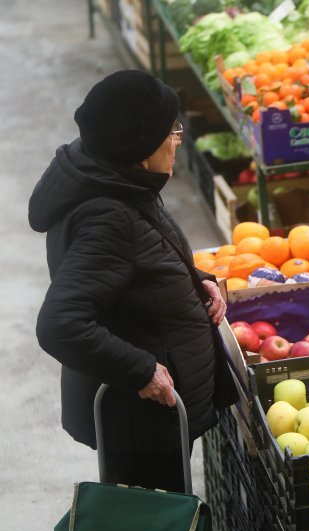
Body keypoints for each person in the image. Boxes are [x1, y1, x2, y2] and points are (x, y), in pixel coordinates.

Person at [29, 70, 237, 492]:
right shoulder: (108, 215)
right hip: (142, 424)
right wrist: (142, 371)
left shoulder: (115, 179)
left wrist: (196, 281)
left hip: (148, 420)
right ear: (142, 150)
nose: (177, 140)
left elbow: (137, 262)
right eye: (171, 131)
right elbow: (60, 323)